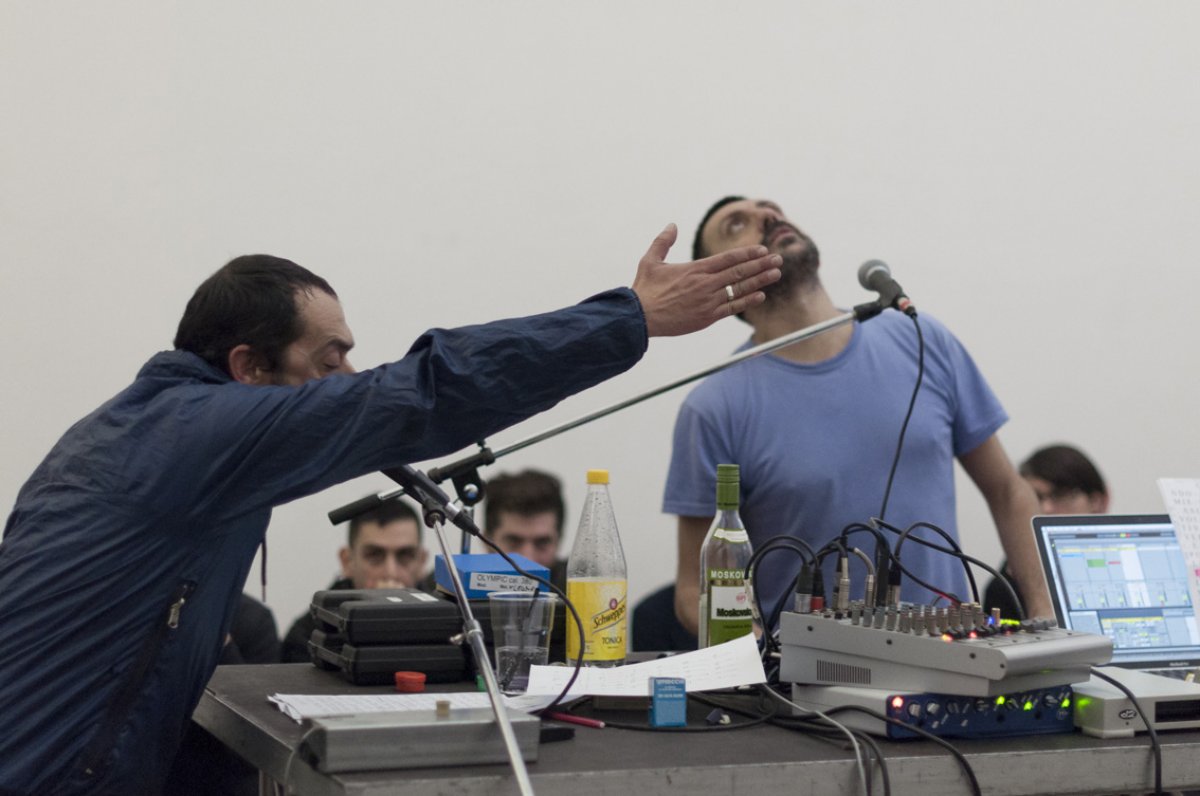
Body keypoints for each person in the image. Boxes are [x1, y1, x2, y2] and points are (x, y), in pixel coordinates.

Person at [0, 227, 782, 796]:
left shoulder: (144, 431)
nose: (348, 377)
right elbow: (425, 391)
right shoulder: (197, 436)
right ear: (248, 368)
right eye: (328, 359)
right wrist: (629, 317)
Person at [664, 196, 1053, 638]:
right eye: (736, 225)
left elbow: (1008, 492)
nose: (769, 217)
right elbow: (693, 590)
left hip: (954, 659)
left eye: (771, 208)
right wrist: (757, 650)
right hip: (806, 675)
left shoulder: (922, 339)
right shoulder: (713, 407)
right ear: (723, 286)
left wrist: (1044, 617)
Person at [280, 497, 427, 663]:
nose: (390, 572)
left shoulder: (447, 627)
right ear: (347, 561)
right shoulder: (308, 637)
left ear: (422, 562)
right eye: (374, 555)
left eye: (405, 555)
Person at [983, 443, 1110, 617]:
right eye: (1035, 497)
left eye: (1061, 494)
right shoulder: (1006, 585)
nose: (1046, 508)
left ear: (1098, 501)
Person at [480, 469, 568, 589]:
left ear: (559, 540)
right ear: (487, 540)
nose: (528, 558)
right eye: (514, 542)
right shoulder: (459, 590)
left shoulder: (583, 589)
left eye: (542, 543)